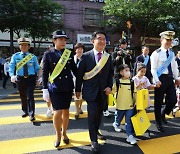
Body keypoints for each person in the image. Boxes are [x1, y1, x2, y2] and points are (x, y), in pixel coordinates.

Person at [75, 31, 114, 152]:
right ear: (93, 41)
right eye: (99, 38)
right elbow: (80, 75)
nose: (102, 41)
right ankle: (93, 140)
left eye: (104, 39)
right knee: (92, 116)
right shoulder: (86, 56)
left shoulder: (108, 57)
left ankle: (96, 131)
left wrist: (109, 86)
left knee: (99, 115)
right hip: (90, 92)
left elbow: (110, 75)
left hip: (103, 92)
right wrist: (77, 90)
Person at [42, 30, 77, 148]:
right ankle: (57, 134)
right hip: (55, 87)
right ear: (54, 40)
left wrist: (83, 80)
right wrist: (44, 89)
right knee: (57, 112)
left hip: (67, 87)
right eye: (61, 39)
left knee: (66, 111)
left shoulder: (69, 53)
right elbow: (45, 72)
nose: (63, 42)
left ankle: (64, 133)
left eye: (65, 39)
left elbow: (75, 70)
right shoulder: (48, 54)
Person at [150, 31, 179, 132]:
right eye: (167, 40)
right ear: (161, 40)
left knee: (173, 100)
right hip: (160, 78)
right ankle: (158, 122)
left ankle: (163, 114)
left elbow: (174, 67)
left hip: (169, 78)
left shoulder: (171, 53)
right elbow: (153, 69)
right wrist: (156, 80)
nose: (169, 42)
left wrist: (177, 78)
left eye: (170, 40)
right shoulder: (156, 53)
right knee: (158, 102)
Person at [9, 37, 40, 121]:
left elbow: (37, 68)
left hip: (31, 78)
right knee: (22, 95)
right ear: (19, 46)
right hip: (20, 78)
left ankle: (31, 113)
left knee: (30, 95)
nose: (23, 47)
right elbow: (11, 66)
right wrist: (12, 75)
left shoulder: (32, 57)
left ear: (29, 46)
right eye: (22, 45)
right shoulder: (15, 56)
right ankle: (25, 111)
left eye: (25, 45)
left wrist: (39, 77)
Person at [111, 64, 137, 145]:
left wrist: (135, 102)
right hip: (120, 105)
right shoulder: (118, 82)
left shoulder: (132, 82)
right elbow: (113, 91)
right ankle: (116, 123)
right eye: (126, 70)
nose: (128, 72)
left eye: (129, 70)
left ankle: (130, 136)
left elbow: (135, 93)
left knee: (128, 121)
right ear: (121, 72)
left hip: (130, 105)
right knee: (118, 117)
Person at [37, 45, 54, 118]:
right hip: (48, 80)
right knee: (48, 97)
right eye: (50, 49)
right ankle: (49, 108)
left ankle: (54, 108)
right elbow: (41, 69)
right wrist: (39, 78)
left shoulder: (59, 56)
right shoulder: (46, 57)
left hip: (56, 80)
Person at [73, 43, 84, 119]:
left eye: (81, 49)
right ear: (75, 50)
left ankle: (80, 107)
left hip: (84, 79)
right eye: (78, 49)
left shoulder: (85, 58)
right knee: (76, 96)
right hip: (75, 80)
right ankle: (77, 110)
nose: (79, 50)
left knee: (82, 96)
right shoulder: (72, 58)